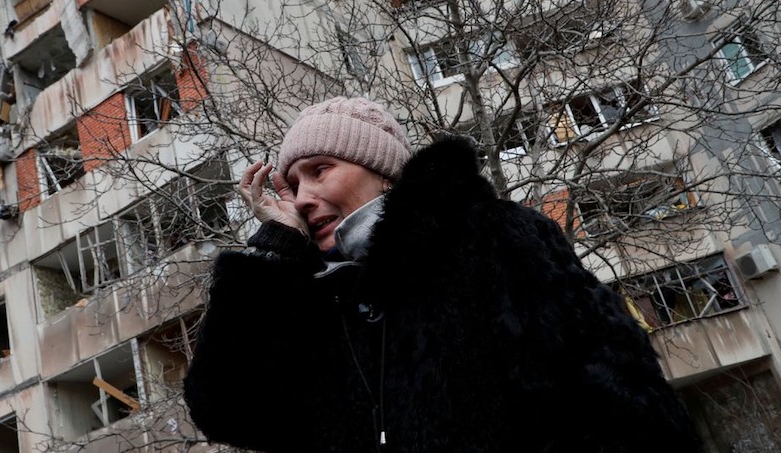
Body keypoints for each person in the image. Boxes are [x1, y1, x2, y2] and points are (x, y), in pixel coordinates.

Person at [183, 97, 701, 452]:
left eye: (320, 170)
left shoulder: (490, 238)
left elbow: (620, 395)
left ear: (383, 171)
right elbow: (225, 410)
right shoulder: (310, 296)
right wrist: (273, 255)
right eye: (293, 183)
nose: (301, 197)